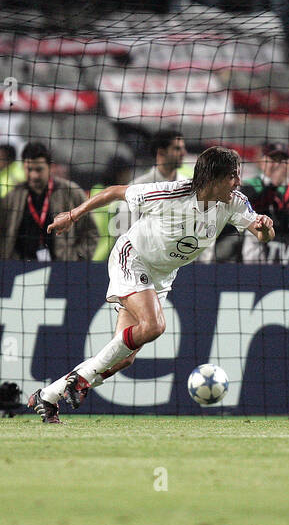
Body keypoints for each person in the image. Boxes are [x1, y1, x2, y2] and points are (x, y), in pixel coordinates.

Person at [27, 146, 275, 423]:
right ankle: (81, 380)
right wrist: (72, 216)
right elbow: (115, 192)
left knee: (124, 358)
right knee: (154, 326)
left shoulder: (233, 202)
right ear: (213, 177)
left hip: (162, 275)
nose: (238, 182)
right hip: (132, 259)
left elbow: (261, 232)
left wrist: (264, 229)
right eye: (232, 176)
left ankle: (47, 396)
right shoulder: (169, 194)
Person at [0, 143, 97, 262]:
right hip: (20, 267)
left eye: (39, 170)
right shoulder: (12, 198)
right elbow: (1, 234)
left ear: (50, 167)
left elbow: (91, 231)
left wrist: (77, 258)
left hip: (63, 269)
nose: (34, 175)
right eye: (29, 170)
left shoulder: (72, 193)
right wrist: (9, 259)